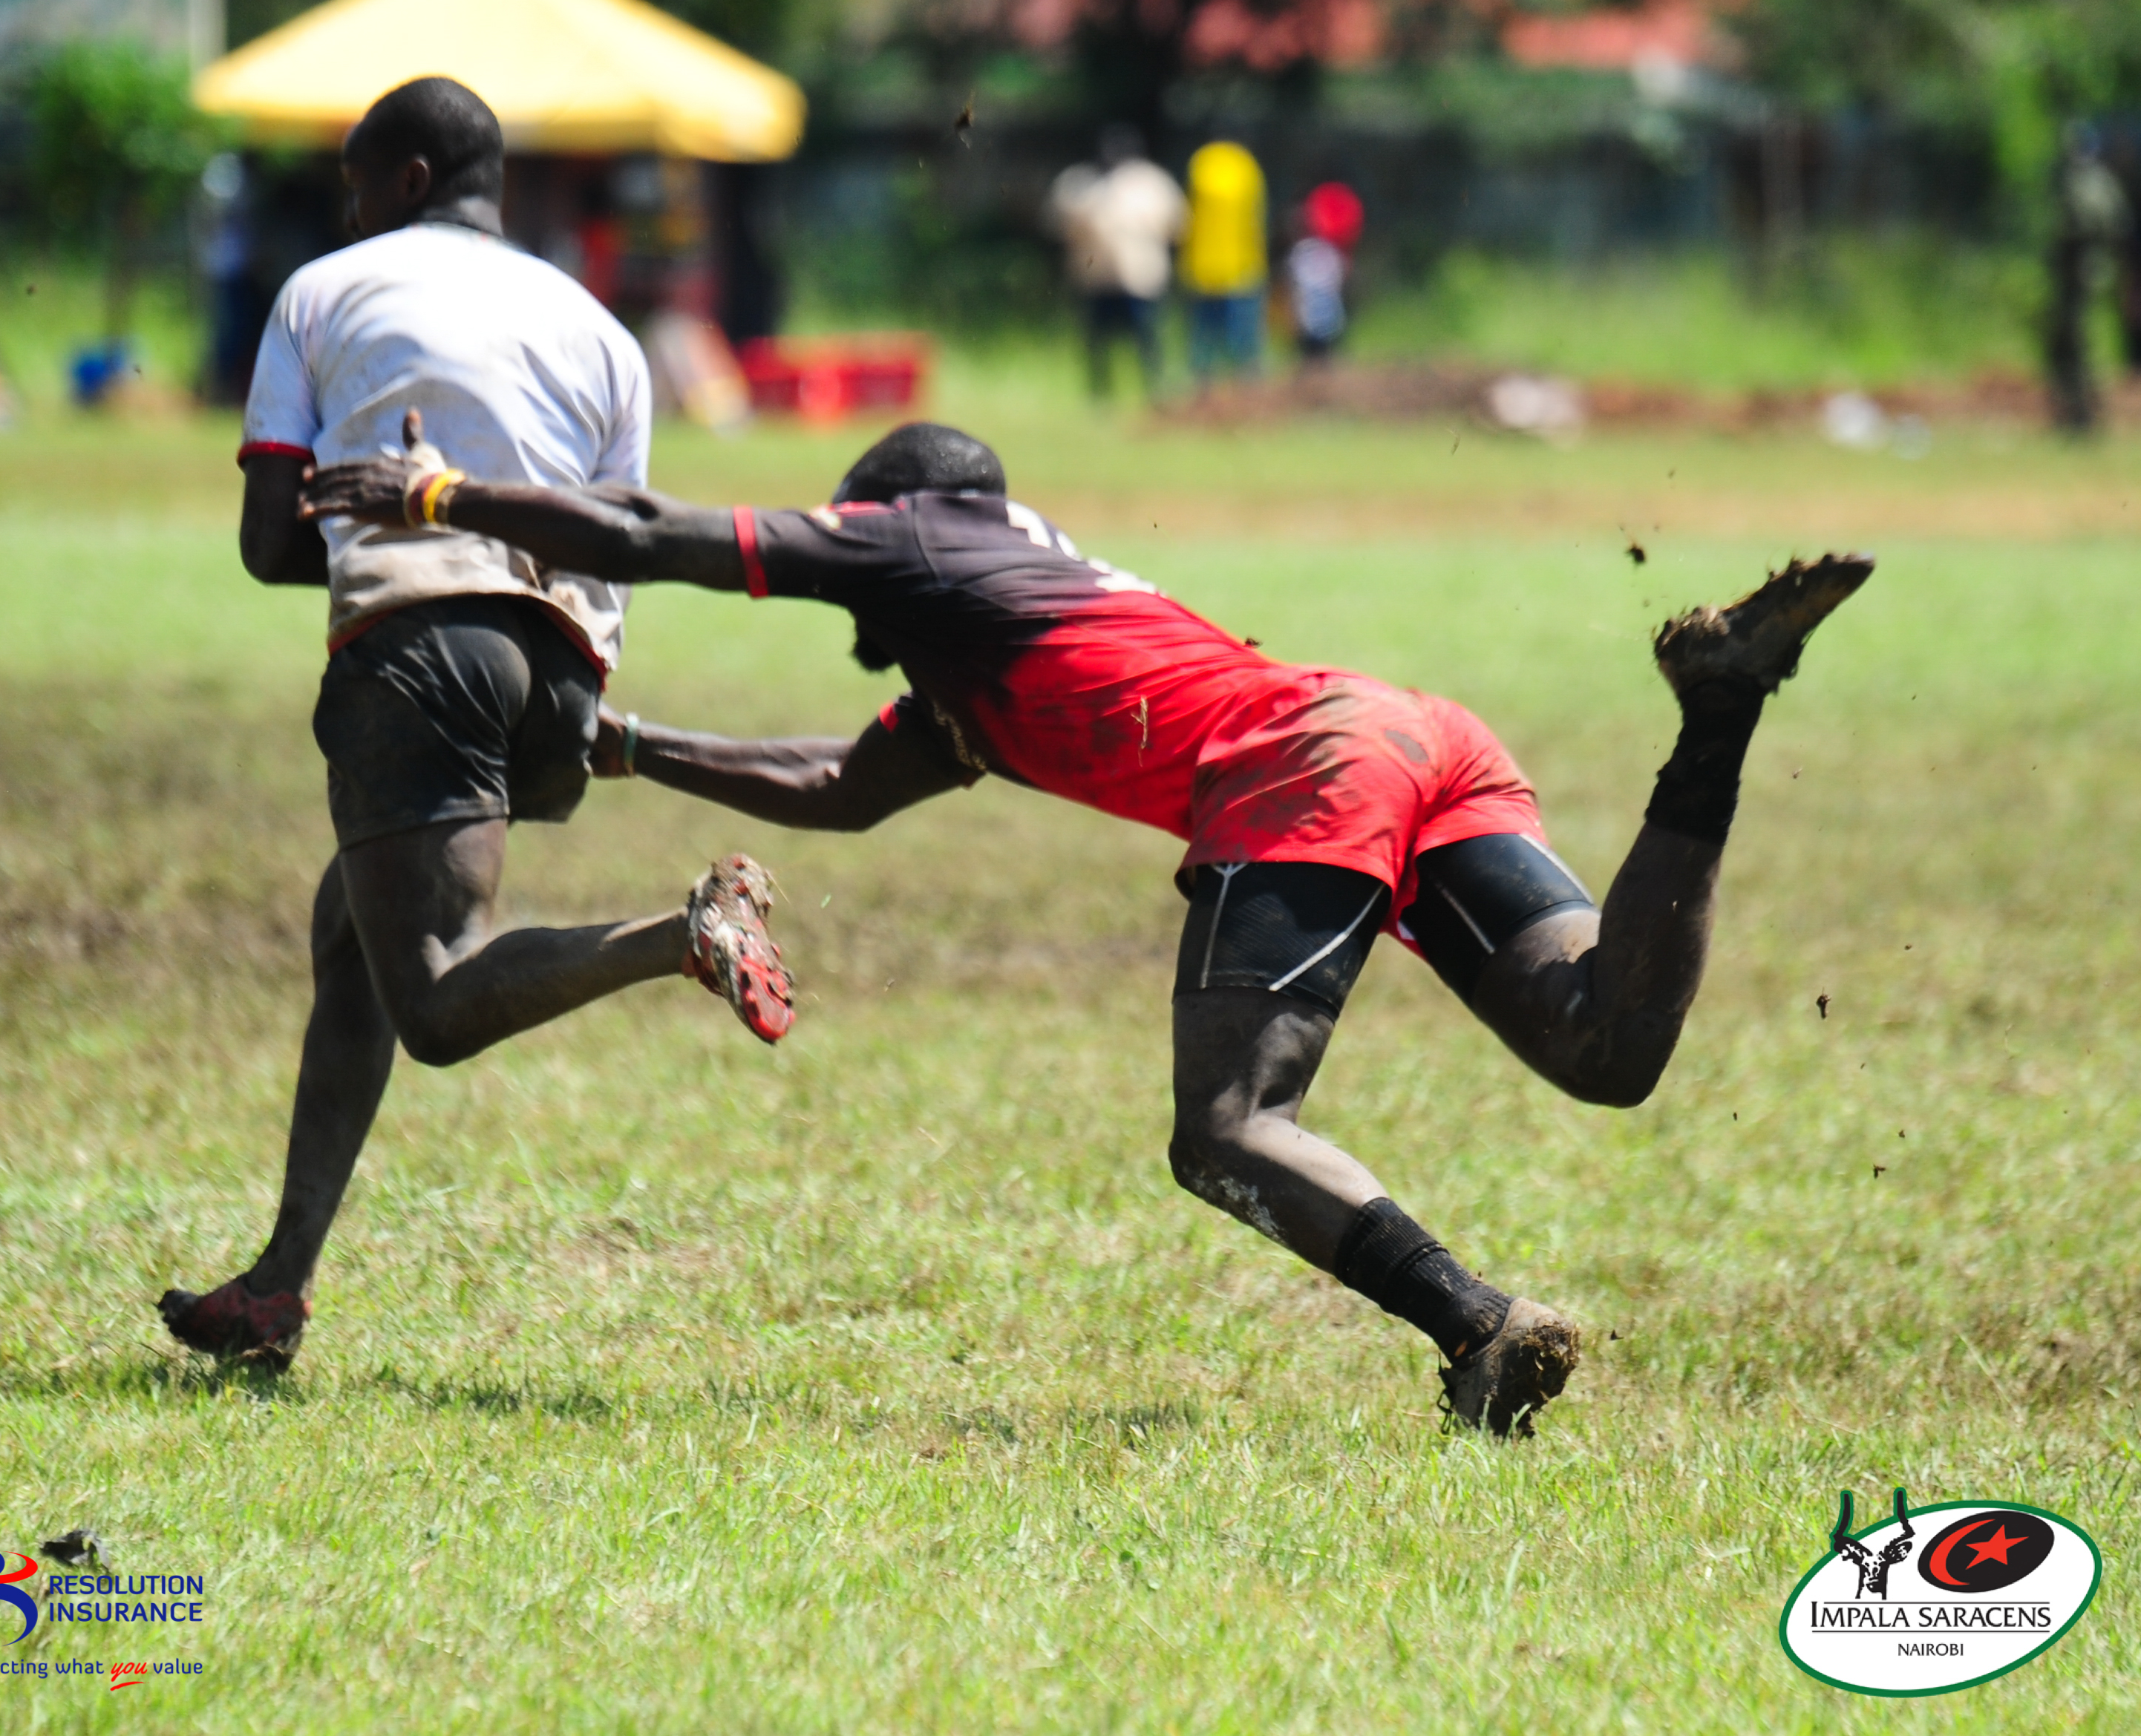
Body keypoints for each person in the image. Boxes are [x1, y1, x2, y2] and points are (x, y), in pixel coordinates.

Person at [301, 422, 1873, 1436]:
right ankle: (1717, 713)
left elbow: (645, 528)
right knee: (1601, 1045)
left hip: (1303, 768)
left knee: (1227, 1131)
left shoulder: (918, 540)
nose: (849, 588)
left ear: (893, 511)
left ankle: (1475, 1325)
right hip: (1405, 735)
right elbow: (844, 787)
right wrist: (638, 747)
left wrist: (437, 499)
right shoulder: (991, 641)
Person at [157, 77, 797, 1372]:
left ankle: (685, 931)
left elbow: (267, 538)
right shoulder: (601, 328)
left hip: (419, 650)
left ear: (398, 180)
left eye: (353, 187)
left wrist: (379, 533)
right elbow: (616, 536)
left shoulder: (324, 290)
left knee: (438, 997)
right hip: (561, 671)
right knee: (357, 929)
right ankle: (277, 1284)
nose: (348, 211)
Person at [1046, 126, 1189, 404]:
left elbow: (1178, 224)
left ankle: (1155, 391)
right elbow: (1057, 225)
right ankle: (1101, 394)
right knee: (1096, 344)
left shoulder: (1151, 183)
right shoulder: (1078, 183)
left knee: (1147, 341)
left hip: (1140, 279)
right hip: (1095, 279)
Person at [2044, 122, 2133, 433]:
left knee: (2073, 343)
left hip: (2078, 271)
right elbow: (2118, 227)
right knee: (2079, 342)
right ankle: (2082, 412)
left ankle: (2081, 414)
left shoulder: (2082, 182)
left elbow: (2081, 226)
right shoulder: (2105, 182)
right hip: (2095, 271)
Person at [1183, 141, 1268, 386]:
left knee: (1204, 333)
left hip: (1202, 266)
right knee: (1243, 333)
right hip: (1242, 266)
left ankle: (1203, 382)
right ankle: (1247, 380)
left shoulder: (1202, 162)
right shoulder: (1246, 166)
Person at [1287, 182, 1363, 368]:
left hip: (1322, 318)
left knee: (1321, 358)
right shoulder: (1306, 252)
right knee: (1316, 359)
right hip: (1315, 319)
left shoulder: (1308, 252)